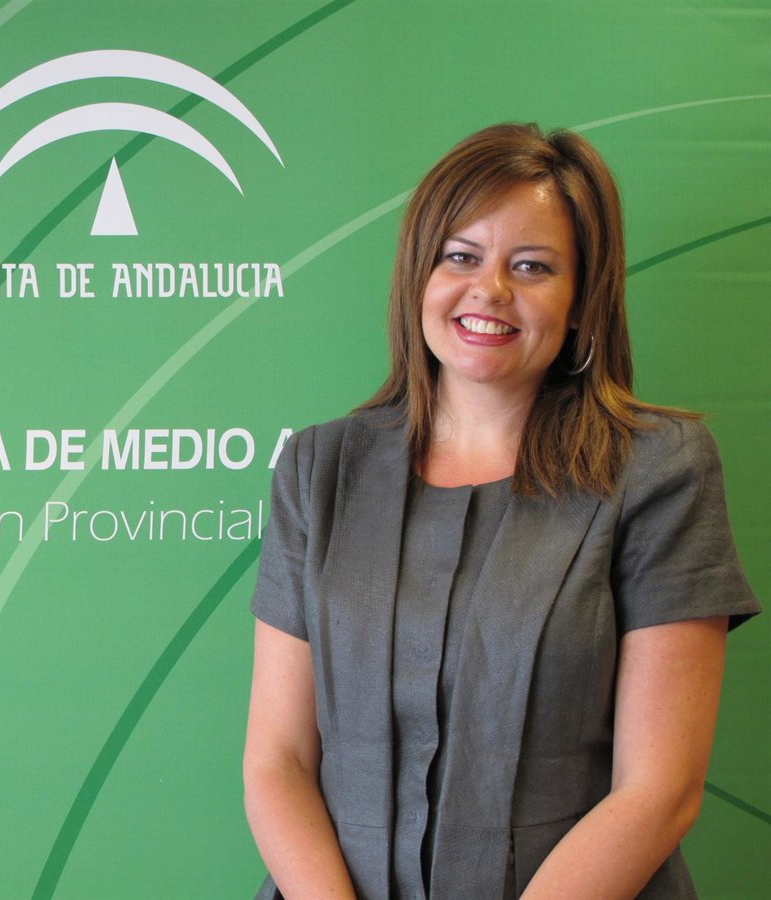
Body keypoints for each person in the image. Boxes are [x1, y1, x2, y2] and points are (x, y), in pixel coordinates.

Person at [242, 123, 760, 899]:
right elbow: (277, 761)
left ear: (582, 300)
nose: (489, 290)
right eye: (461, 256)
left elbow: (660, 791)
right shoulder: (319, 469)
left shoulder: (661, 470)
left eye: (532, 266)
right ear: (419, 275)